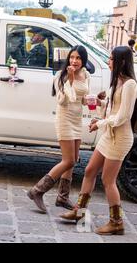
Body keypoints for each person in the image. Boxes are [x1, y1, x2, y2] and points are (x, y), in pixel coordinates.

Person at [60, 46, 137, 236]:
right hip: (109, 135)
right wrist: (98, 103)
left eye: (111, 59)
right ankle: (79, 212)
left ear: (121, 61)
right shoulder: (116, 83)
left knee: (108, 181)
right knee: (89, 171)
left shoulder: (130, 85)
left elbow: (123, 116)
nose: (108, 62)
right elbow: (112, 109)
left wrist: (100, 123)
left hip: (120, 138)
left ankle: (116, 222)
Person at [27, 46, 90, 212]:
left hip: (77, 120)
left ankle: (62, 197)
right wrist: (69, 79)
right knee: (68, 160)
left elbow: (82, 99)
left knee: (74, 159)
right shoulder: (60, 76)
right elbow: (63, 101)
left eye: (78, 58)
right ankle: (37, 190)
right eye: (71, 57)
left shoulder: (85, 74)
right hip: (64, 119)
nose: (74, 61)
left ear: (83, 60)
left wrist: (95, 99)